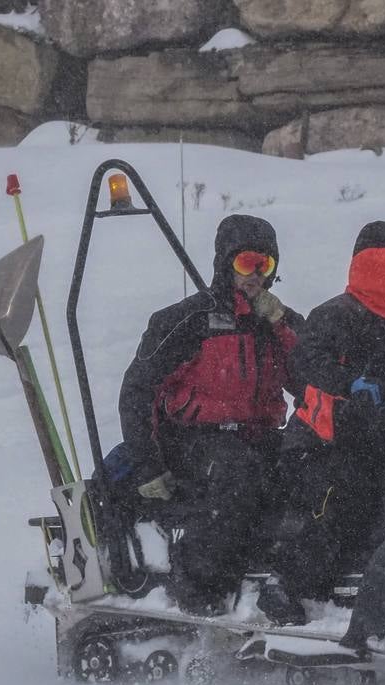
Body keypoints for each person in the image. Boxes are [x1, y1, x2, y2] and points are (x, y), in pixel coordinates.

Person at [116, 214, 303, 615]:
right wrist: (148, 467)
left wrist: (282, 325)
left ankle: (286, 579)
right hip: (194, 439)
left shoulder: (277, 324)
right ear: (225, 264)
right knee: (240, 474)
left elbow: (310, 380)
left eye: (264, 265)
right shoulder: (189, 321)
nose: (254, 275)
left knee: (308, 473)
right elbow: (137, 391)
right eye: (245, 263)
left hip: (262, 434)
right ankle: (197, 582)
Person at [264, 221, 385, 624]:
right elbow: (305, 361)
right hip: (316, 447)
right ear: (381, 265)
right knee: (338, 494)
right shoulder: (333, 316)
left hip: (370, 449)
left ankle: (380, 584)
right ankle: (284, 585)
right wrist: (350, 383)